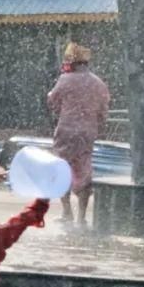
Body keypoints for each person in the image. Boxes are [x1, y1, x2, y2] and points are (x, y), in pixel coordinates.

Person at [47, 43, 110, 228]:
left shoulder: (65, 80)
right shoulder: (98, 83)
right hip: (87, 133)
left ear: (71, 63)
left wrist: (51, 96)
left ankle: (67, 212)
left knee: (62, 169)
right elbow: (103, 113)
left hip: (66, 131)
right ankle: (82, 217)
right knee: (84, 171)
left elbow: (52, 101)